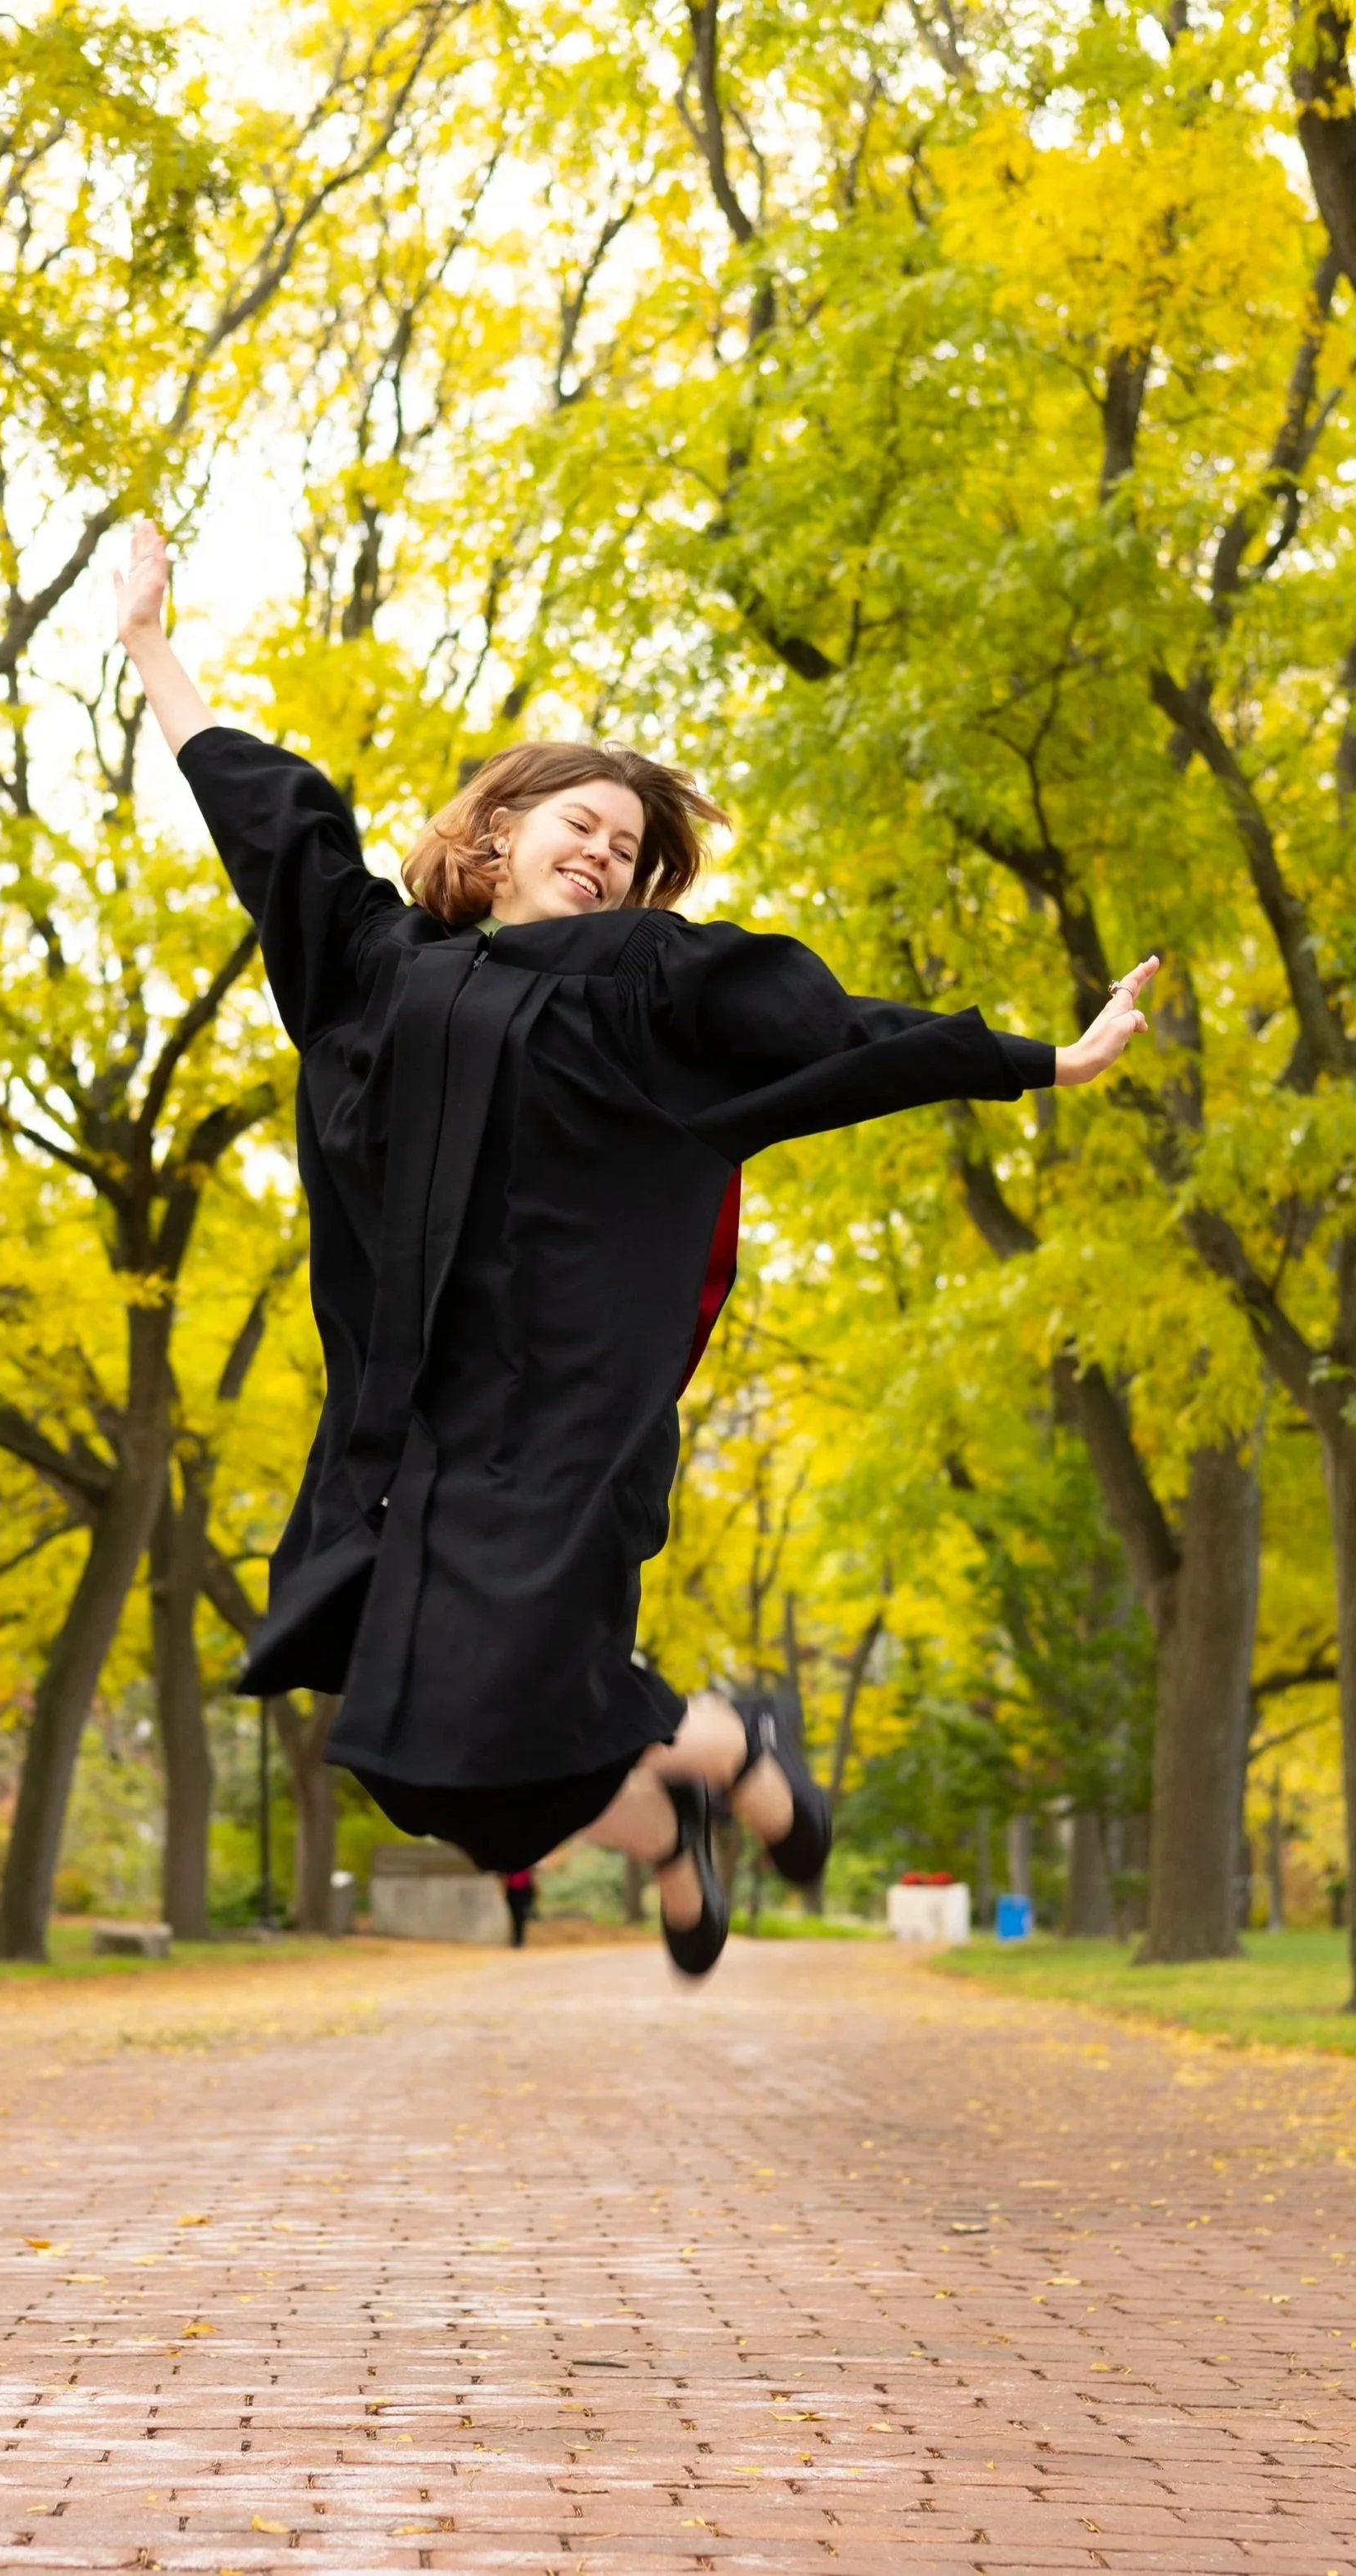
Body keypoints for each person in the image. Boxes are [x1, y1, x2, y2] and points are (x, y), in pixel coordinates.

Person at [114, 520, 1156, 1980]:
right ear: (492, 835)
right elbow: (267, 821)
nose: (603, 851)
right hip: (403, 1421)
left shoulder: (638, 983)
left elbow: (831, 1035)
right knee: (417, 1761)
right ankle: (681, 1819)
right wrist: (151, 641)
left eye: (626, 846)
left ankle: (728, 1740)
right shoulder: (371, 962)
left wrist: (1034, 1058)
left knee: (522, 1682)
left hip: (555, 1414)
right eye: (578, 824)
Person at [502, 1868, 537, 1948]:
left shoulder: (527, 1866)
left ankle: (519, 1939)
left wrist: (533, 1891)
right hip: (512, 1891)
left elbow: (532, 1877)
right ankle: (515, 1938)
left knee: (521, 1916)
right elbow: (505, 1879)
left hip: (523, 1890)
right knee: (514, 1916)